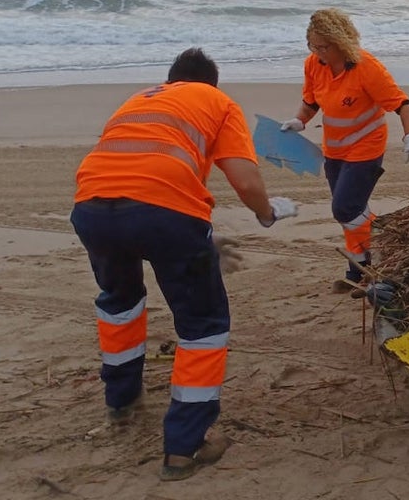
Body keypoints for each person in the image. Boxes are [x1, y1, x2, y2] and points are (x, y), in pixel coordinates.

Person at [70, 47, 298, 482]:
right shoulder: (218, 103)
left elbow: (136, 175)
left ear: (171, 79)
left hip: (92, 209)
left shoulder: (140, 100)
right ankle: (184, 449)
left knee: (120, 304)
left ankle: (121, 403)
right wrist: (268, 213)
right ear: (210, 84)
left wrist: (198, 240)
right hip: (164, 214)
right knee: (203, 325)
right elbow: (245, 180)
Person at [280, 8, 409, 291]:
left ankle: (385, 240)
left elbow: (401, 104)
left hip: (366, 148)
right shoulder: (313, 64)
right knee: (351, 211)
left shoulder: (367, 68)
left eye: (324, 47)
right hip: (335, 150)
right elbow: (311, 102)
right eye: (313, 46)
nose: (318, 52)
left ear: (341, 42)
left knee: (345, 208)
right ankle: (360, 270)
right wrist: (299, 121)